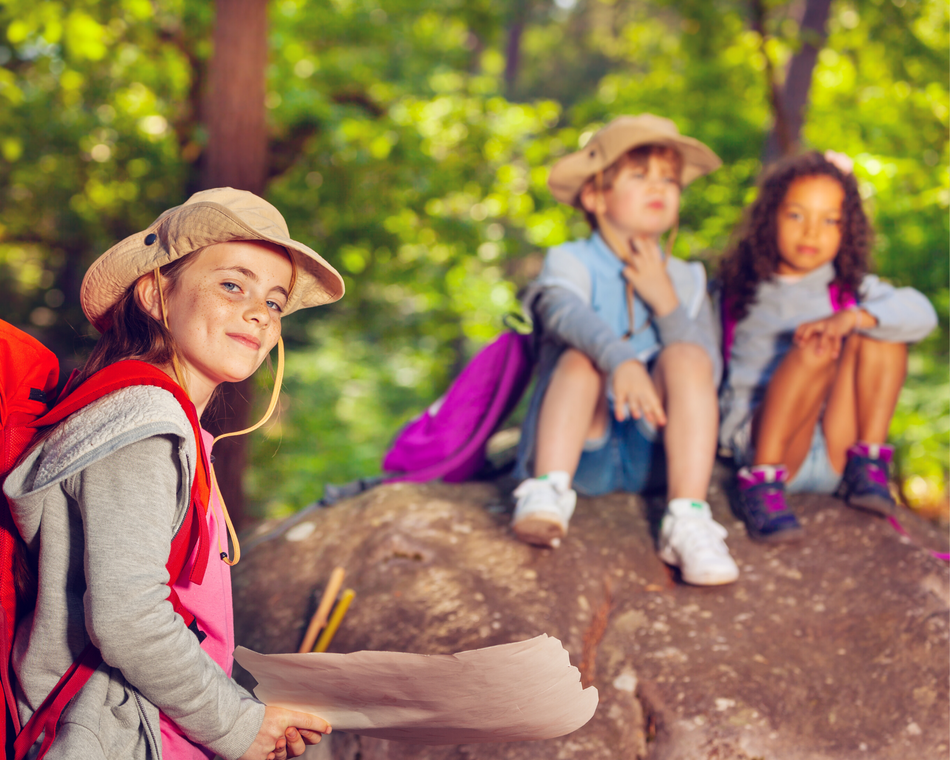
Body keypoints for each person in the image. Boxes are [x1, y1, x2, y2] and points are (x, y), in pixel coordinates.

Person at [4, 188, 346, 759]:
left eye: (275, 302)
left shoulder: (154, 416)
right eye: (232, 285)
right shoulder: (143, 419)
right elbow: (128, 618)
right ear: (156, 292)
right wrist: (237, 723)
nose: (260, 312)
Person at [511, 113, 740, 586]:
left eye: (670, 179)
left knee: (688, 355)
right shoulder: (570, 260)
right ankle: (547, 490)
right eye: (640, 176)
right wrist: (621, 359)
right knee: (581, 357)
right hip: (582, 451)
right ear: (595, 195)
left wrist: (665, 301)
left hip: (653, 452)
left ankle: (687, 516)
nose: (660, 187)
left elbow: (707, 373)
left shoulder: (689, 278)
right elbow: (559, 312)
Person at [716, 151, 937, 542]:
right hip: (775, 447)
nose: (811, 232)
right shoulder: (736, 291)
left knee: (882, 329)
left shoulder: (849, 290)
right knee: (815, 347)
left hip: (838, 450)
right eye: (796, 215)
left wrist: (852, 318)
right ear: (770, 218)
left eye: (829, 220)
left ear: (846, 229)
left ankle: (868, 465)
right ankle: (761, 485)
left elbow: (921, 313)